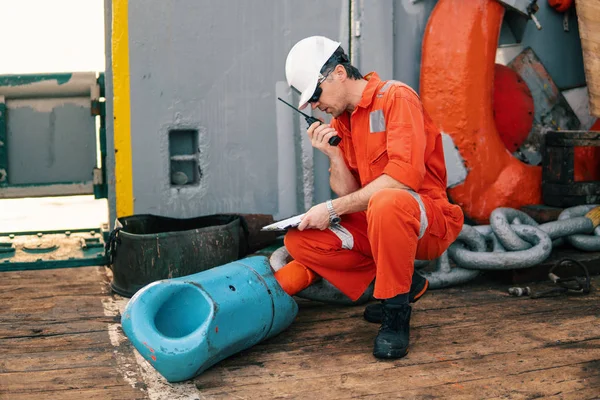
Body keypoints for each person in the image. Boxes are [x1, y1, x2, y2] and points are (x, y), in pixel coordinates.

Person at [274, 36, 464, 359]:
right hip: (381, 220)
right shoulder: (343, 123)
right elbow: (351, 194)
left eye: (316, 95)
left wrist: (331, 209)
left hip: (426, 219)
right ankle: (406, 283)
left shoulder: (396, 99)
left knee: (387, 201)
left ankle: (395, 315)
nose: (316, 105)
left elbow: (403, 181)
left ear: (338, 73)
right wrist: (333, 155)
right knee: (299, 241)